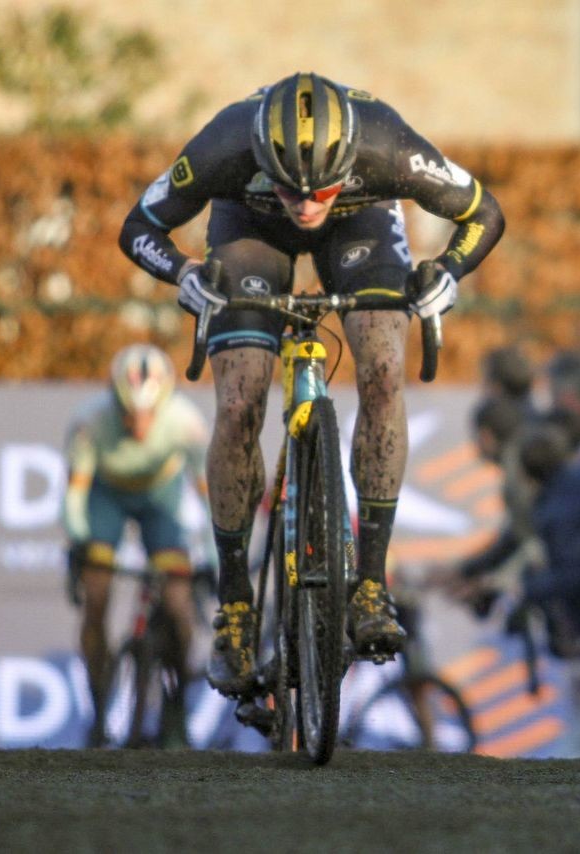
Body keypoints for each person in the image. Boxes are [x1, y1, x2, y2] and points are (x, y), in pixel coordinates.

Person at [117, 72, 505, 696]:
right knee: (241, 401)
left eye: (320, 187)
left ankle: (371, 584)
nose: (305, 204)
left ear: (348, 161)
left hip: (364, 227)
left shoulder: (388, 144)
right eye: (291, 187)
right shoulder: (225, 145)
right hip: (249, 227)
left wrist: (449, 274)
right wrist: (184, 272)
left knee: (382, 370)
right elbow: (137, 228)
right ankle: (236, 603)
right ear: (260, 159)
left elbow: (483, 212)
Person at [63, 344, 210, 746]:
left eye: (148, 415)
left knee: (179, 603)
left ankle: (176, 705)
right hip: (105, 495)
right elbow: (74, 501)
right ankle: (98, 711)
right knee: (97, 594)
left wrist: (211, 558)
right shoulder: (89, 423)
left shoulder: (186, 423)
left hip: (160, 499)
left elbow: (207, 499)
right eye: (129, 414)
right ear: (114, 400)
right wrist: (78, 543)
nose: (138, 426)